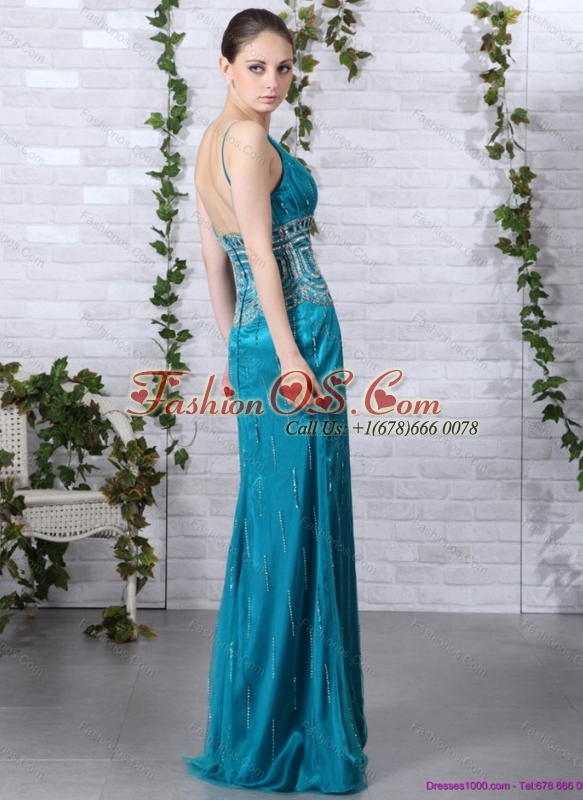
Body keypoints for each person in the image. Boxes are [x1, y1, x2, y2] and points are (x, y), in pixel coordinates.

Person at [183, 8, 369, 794]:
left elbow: (212, 259)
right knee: (301, 522)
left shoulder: (209, 141)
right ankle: (294, 734)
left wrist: (238, 347)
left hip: (256, 344)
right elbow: (257, 252)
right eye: (256, 66)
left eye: (284, 67)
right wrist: (291, 358)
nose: (272, 82)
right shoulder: (251, 143)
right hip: (299, 340)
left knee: (274, 520)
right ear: (225, 65)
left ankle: (264, 720)